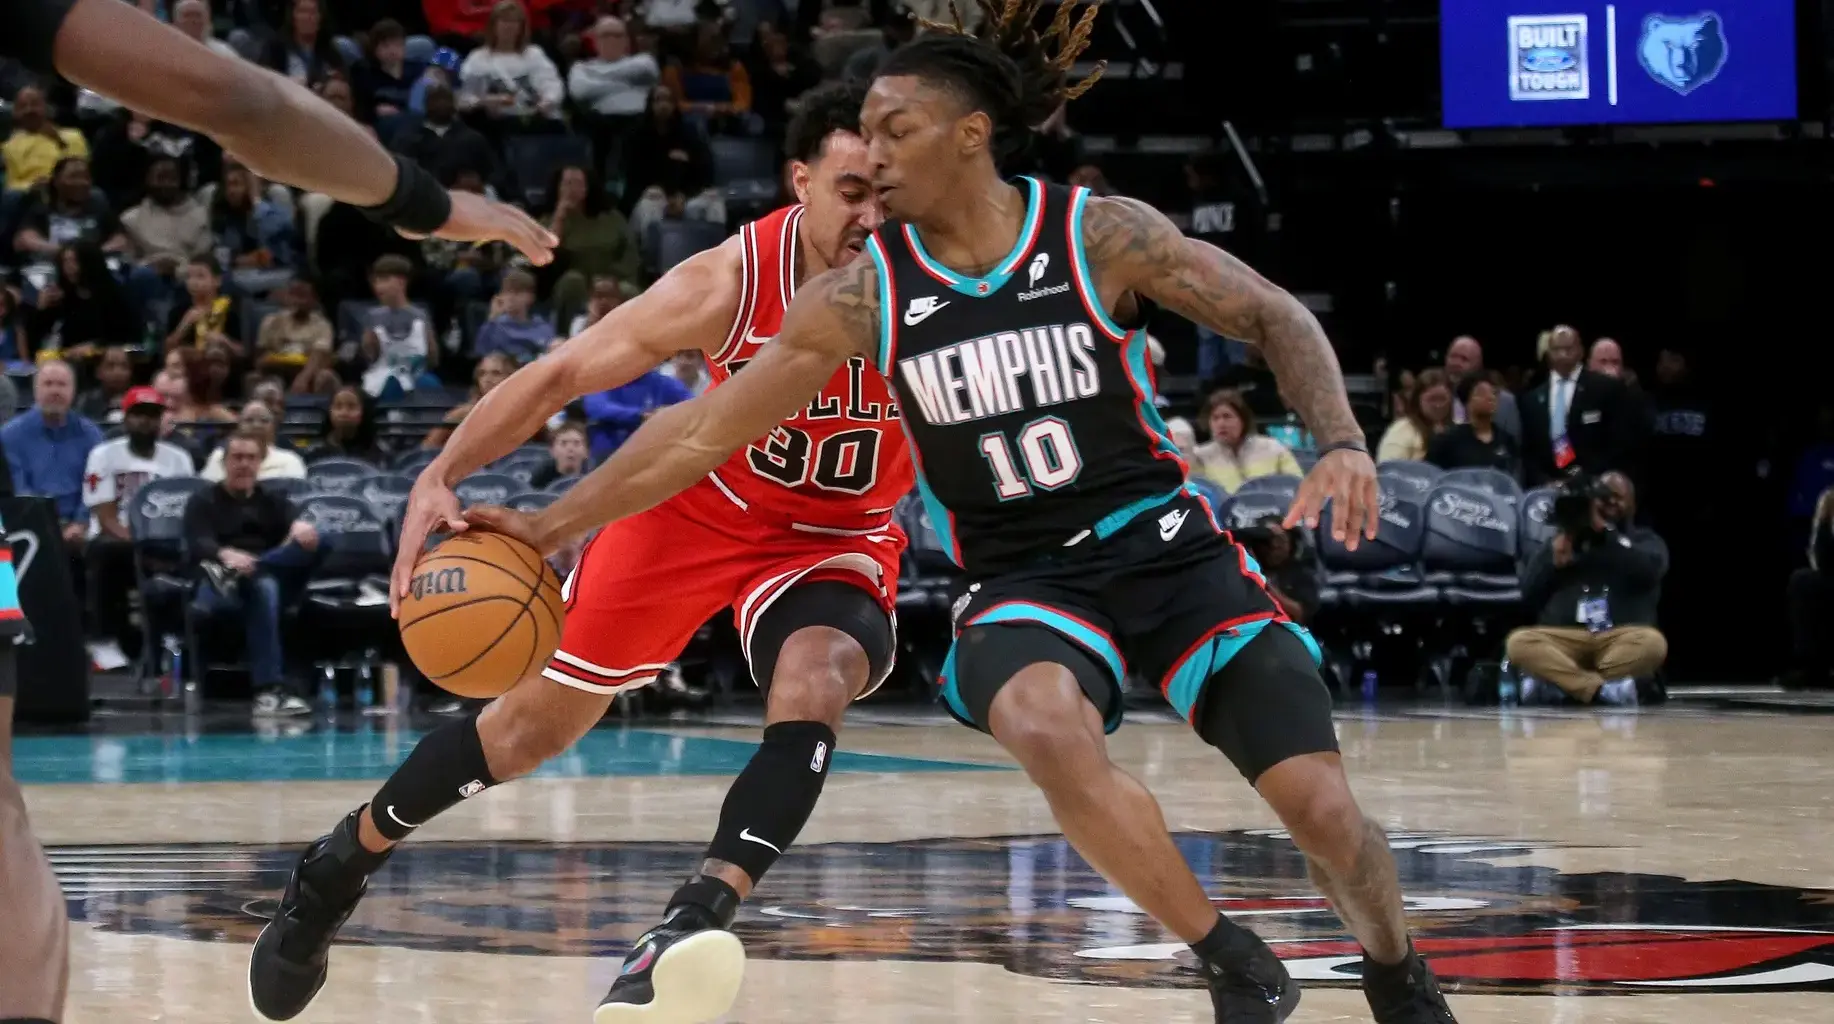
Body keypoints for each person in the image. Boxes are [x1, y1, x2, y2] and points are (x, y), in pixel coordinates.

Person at [462, 11, 1456, 1024]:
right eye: (865, 133)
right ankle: (1226, 953)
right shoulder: (862, 297)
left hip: (1167, 548)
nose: (874, 154)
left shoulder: (1098, 233)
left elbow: (1272, 314)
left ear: (970, 135)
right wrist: (549, 528)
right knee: (1036, 718)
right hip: (1023, 581)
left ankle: (1392, 965)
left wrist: (1337, 438)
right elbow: (695, 434)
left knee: (1324, 815)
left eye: (896, 131)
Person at [247, 81, 916, 1024]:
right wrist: (443, 469)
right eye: (853, 192)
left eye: (891, 194)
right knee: (527, 731)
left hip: (837, 533)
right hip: (697, 504)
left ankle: (685, 926)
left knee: (820, 675)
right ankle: (340, 861)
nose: (873, 216)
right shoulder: (730, 279)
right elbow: (564, 373)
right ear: (800, 181)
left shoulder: (932, 280)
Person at [185, 428, 322, 717]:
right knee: (265, 587)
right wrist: (226, 554)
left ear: (260, 463)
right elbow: (199, 543)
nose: (244, 464)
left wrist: (299, 528)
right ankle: (268, 691)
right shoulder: (203, 500)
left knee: (318, 541)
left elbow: (295, 525)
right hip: (219, 581)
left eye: (250, 458)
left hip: (265, 572)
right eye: (237, 457)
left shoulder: (272, 499)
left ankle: (261, 565)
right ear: (224, 462)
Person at [1505, 471, 1667, 706]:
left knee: (1653, 643)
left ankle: (1563, 684)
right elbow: (1528, 593)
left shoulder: (1643, 540)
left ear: (1632, 504)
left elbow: (1649, 572)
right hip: (1566, 641)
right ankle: (1602, 691)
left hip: (1618, 639)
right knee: (1518, 642)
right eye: (1602, 497)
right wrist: (1552, 561)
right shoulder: (1562, 543)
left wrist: (1605, 535)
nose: (1609, 502)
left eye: (1617, 497)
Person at [81, 386, 196, 653]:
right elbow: (105, 515)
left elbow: (188, 510)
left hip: (164, 539)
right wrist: (137, 541)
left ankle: (173, 643)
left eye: (152, 415)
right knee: (105, 553)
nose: (145, 421)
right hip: (116, 537)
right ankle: (104, 642)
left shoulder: (179, 459)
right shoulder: (103, 455)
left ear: (161, 420)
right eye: (138, 414)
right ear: (125, 418)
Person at [2, 360, 104, 551]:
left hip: (82, 528)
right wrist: (45, 526)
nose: (55, 391)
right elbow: (18, 489)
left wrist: (80, 523)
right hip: (30, 525)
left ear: (73, 391)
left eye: (62, 384)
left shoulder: (92, 434)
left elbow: (95, 484)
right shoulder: (9, 436)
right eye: (48, 384)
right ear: (36, 390)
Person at [1520, 325, 1631, 485]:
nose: (1563, 354)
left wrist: (1586, 479)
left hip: (1594, 487)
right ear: (1548, 354)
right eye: (1556, 349)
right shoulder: (1531, 399)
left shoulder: (1606, 388)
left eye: (1568, 348)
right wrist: (1544, 481)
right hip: (1547, 490)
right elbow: (1528, 452)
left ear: (1580, 351)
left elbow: (1618, 442)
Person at [1188, 388, 1301, 493]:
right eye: (1215, 418)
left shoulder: (1273, 448)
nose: (1221, 424)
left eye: (1227, 416)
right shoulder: (1200, 456)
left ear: (1243, 420)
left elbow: (1296, 484)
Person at [358, 254, 438, 399]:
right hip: (381, 379)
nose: (378, 286)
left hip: (415, 377)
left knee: (429, 383)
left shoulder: (420, 316)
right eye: (376, 281)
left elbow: (433, 358)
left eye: (384, 280)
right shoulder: (372, 317)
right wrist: (369, 346)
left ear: (401, 282)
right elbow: (368, 359)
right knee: (390, 384)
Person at [1426, 375, 1519, 479]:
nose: (1490, 397)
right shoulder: (1447, 440)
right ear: (1467, 401)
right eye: (1482, 393)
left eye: (1494, 393)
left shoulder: (1506, 440)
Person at [2, 84, 89, 193]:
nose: (29, 110)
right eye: (23, 106)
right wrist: (31, 187)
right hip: (30, 196)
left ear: (46, 107)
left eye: (35, 104)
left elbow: (80, 171)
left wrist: (58, 140)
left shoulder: (73, 136)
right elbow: (11, 185)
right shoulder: (9, 146)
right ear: (15, 113)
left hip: (68, 191)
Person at [201, 401, 308, 481]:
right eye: (249, 420)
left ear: (274, 428)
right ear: (238, 426)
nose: (257, 425)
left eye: (264, 421)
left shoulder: (290, 461)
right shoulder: (218, 457)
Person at [164, 255, 244, 358]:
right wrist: (183, 326)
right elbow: (167, 351)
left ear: (217, 280)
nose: (193, 282)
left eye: (200, 276)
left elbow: (242, 353)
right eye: (189, 277)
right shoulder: (178, 311)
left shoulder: (229, 310)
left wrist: (225, 341)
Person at [472, 270, 555, 363]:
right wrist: (493, 317)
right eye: (507, 292)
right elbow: (481, 354)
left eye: (517, 293)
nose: (511, 297)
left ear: (530, 297)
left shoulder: (543, 327)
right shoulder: (494, 326)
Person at [1376, 367, 1451, 463]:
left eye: (1442, 399)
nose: (1438, 405)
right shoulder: (1402, 429)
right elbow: (1388, 469)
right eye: (1432, 399)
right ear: (1418, 400)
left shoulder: (1457, 430)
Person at [302, 384, 384, 464]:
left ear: (364, 412)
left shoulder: (377, 453)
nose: (344, 413)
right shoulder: (315, 452)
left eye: (351, 407)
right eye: (338, 406)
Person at [528, 419, 590, 488]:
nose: (570, 448)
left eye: (576, 443)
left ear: (586, 451)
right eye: (563, 443)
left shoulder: (594, 476)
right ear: (552, 451)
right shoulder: (539, 480)